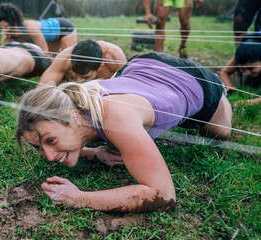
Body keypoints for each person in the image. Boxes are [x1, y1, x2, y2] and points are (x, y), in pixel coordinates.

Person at [16, 52, 232, 213]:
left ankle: (222, 88)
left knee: (220, 132)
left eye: (51, 140)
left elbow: (163, 194)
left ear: (74, 118)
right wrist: (94, 153)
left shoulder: (115, 117)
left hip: (196, 81)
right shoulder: (78, 103)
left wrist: (78, 198)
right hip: (142, 64)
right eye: (38, 147)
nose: (49, 157)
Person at [0, 3, 77, 54]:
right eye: (1, 28)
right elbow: (3, 56)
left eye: (6, 27)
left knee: (68, 57)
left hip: (64, 28)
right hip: (52, 37)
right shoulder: (8, 39)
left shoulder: (29, 28)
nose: (3, 31)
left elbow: (44, 52)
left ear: (14, 23)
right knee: (53, 59)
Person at [37, 39, 127, 87]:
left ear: (100, 66)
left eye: (86, 77)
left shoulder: (114, 56)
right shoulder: (64, 59)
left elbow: (128, 86)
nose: (80, 82)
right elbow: (40, 91)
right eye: (75, 76)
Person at [220, 33, 261, 105]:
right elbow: (224, 72)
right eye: (242, 69)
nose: (247, 73)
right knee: (250, 85)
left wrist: (246, 103)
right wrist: (228, 86)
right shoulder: (242, 55)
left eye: (251, 68)